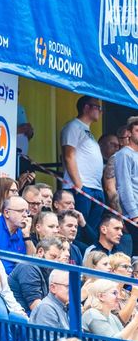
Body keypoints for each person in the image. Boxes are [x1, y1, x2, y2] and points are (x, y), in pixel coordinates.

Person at [60, 95, 104, 244]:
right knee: (77, 229)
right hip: (82, 187)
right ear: (86, 107)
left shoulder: (88, 131)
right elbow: (68, 156)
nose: (100, 111)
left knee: (90, 230)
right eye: (98, 107)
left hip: (95, 187)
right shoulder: (73, 126)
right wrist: (79, 185)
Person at [8, 237, 64, 314]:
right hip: (23, 317)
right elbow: (36, 306)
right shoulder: (28, 267)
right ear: (40, 252)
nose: (56, 262)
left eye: (58, 258)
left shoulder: (46, 270)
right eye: (53, 257)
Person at [0, 196, 35, 274]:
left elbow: (33, 263)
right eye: (21, 211)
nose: (25, 215)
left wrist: (27, 236)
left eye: (27, 211)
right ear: (7, 213)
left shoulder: (22, 233)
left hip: (13, 278)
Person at [114, 118, 138, 256]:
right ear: (129, 133)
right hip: (133, 212)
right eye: (137, 130)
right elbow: (124, 185)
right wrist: (134, 214)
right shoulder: (124, 154)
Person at [108, 252, 138, 325]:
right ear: (113, 270)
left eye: (130, 267)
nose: (130, 270)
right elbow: (119, 323)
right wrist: (134, 296)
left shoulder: (127, 293)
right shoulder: (107, 292)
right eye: (125, 266)